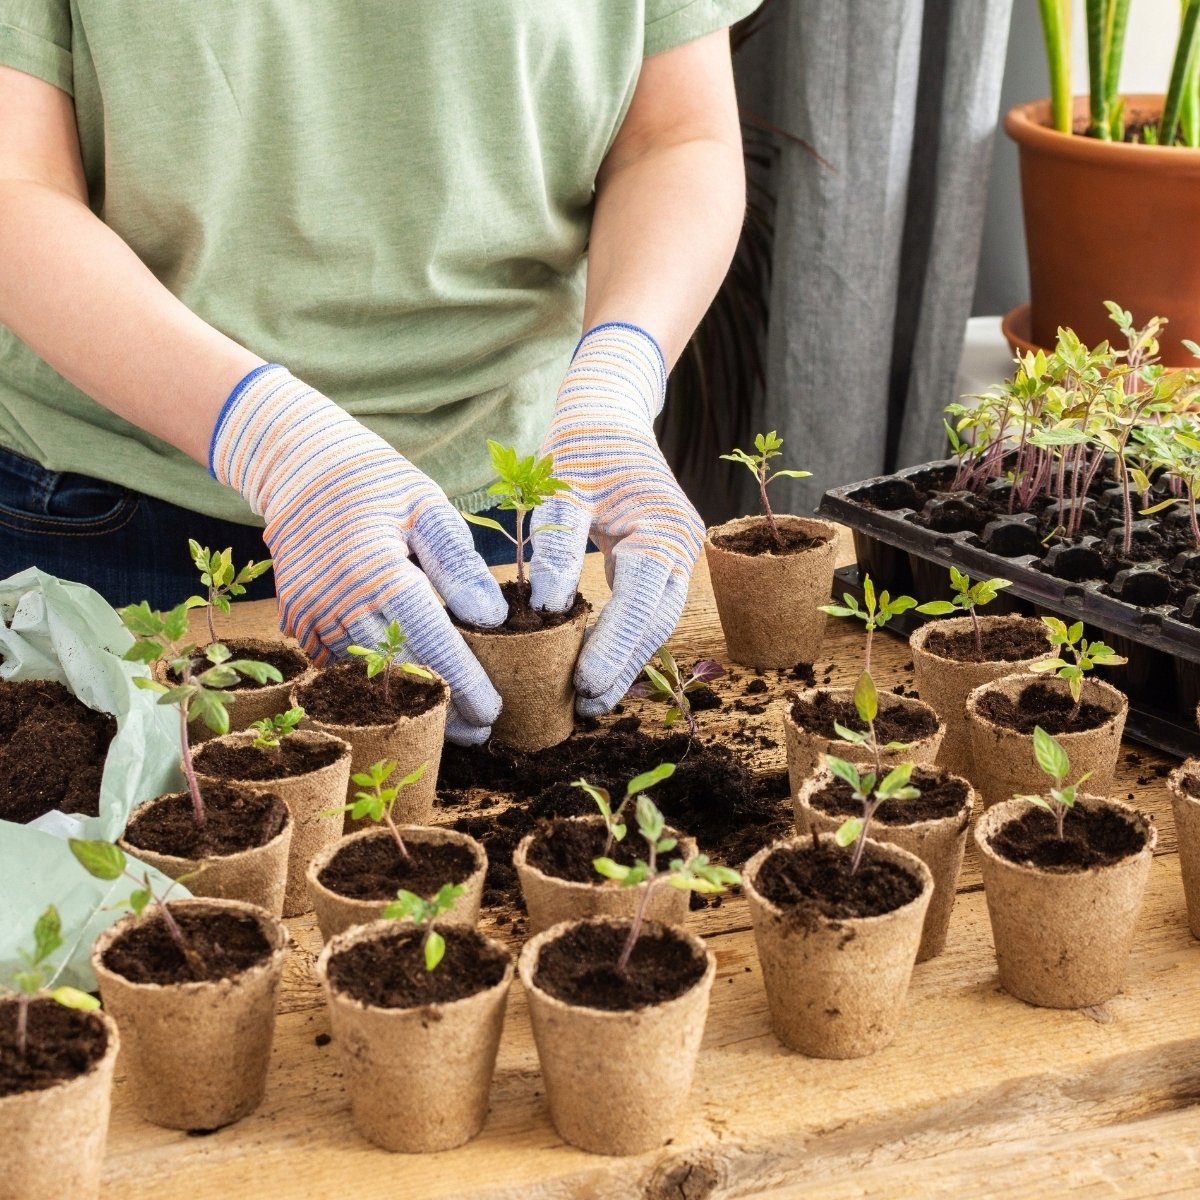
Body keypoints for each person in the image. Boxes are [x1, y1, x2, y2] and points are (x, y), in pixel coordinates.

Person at [0, 3, 755, 744]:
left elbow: (672, 133)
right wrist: (276, 443)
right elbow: (17, 182)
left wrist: (617, 379)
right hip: (120, 521)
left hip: (502, 519)